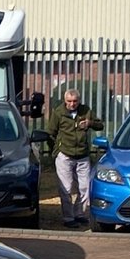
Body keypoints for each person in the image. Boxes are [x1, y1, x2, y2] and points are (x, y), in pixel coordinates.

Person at [46, 88, 102, 227]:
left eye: (75, 101)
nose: (72, 104)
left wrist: (89, 123)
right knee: (66, 188)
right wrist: (56, 150)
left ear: (79, 101)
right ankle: (68, 218)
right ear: (65, 101)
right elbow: (51, 133)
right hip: (65, 154)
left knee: (85, 187)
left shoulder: (85, 111)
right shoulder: (58, 113)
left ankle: (79, 214)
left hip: (82, 155)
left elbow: (100, 125)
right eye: (69, 101)